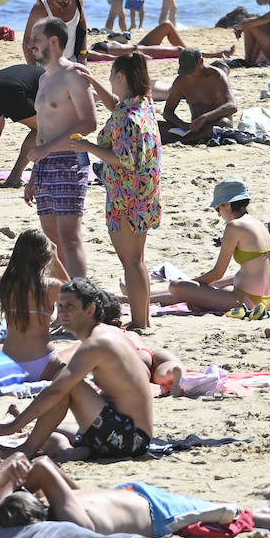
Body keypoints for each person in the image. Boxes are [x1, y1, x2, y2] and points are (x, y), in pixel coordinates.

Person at [0, 278, 154, 462]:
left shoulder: (97, 343)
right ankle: (73, 450)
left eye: (70, 307)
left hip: (130, 440)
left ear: (90, 310)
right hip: (128, 432)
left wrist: (11, 426)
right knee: (49, 434)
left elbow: (56, 390)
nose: (63, 313)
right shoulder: (107, 333)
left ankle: (26, 450)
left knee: (66, 384)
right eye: (60, 306)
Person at [0, 459, 270, 538]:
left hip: (138, 496)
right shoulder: (67, 515)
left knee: (230, 509)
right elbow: (40, 464)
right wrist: (11, 482)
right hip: (156, 513)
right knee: (235, 516)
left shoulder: (63, 507)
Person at [70, 53, 161, 332]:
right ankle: (142, 319)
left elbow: (123, 159)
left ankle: (140, 322)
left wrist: (87, 146)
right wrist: (93, 81)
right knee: (138, 261)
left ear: (121, 77)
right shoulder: (143, 104)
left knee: (131, 262)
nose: (110, 80)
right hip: (145, 193)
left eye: (111, 76)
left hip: (126, 196)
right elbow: (116, 106)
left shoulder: (127, 118)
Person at [25, 19, 98, 277]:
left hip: (69, 161)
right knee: (52, 241)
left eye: (37, 39)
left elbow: (89, 122)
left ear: (54, 41)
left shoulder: (73, 75)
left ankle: (80, 294)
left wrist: (47, 151)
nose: (30, 44)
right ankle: (66, 299)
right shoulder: (44, 79)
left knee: (69, 238)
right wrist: (35, 173)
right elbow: (44, 131)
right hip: (45, 166)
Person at [160, 179, 270, 318]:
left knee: (176, 286)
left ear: (227, 204)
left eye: (218, 209)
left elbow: (217, 273)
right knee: (210, 290)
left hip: (249, 300)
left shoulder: (235, 226)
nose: (218, 214)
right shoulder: (257, 223)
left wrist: (191, 283)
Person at [0, 229, 68, 381]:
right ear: (45, 257)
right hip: (43, 361)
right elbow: (76, 292)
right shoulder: (51, 286)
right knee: (78, 350)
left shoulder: (2, 283)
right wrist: (56, 259)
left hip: (10, 362)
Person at [0, 63, 43, 186]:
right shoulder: (49, 78)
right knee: (41, 129)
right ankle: (15, 176)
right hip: (13, 89)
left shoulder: (33, 70)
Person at [158, 49, 237, 145]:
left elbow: (232, 106)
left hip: (214, 124)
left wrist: (205, 118)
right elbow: (168, 112)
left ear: (201, 61)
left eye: (191, 70)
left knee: (224, 123)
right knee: (157, 125)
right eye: (186, 70)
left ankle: (185, 140)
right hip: (193, 128)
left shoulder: (217, 76)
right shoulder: (181, 81)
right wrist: (182, 124)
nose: (189, 74)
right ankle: (191, 138)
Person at [22, 0, 87, 65]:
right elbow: (27, 40)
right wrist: (33, 70)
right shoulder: (40, 8)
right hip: (46, 64)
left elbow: (82, 24)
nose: (67, 1)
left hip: (71, 59)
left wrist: (83, 52)